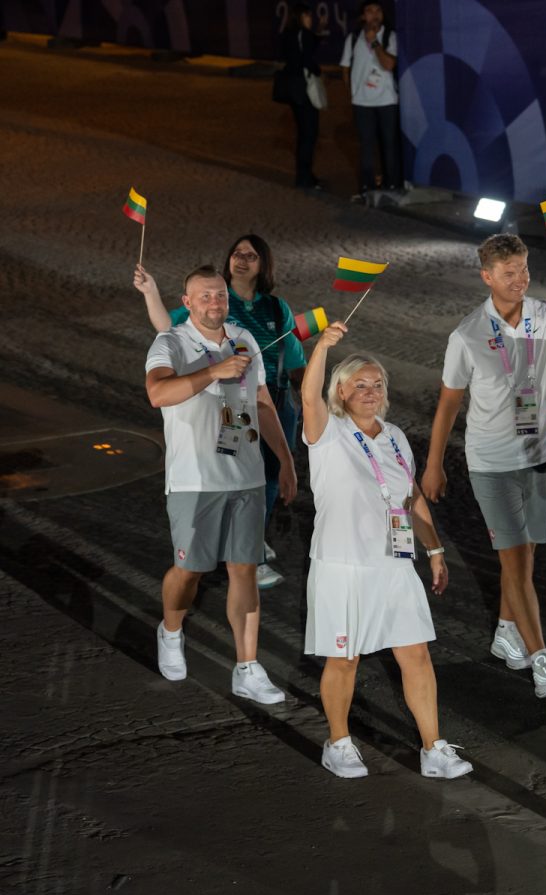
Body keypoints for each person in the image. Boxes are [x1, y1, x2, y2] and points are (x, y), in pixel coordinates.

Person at [422, 234, 546, 697]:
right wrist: (434, 465)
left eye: (524, 270)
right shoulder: (466, 336)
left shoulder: (543, 315)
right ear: (487, 277)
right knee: (517, 560)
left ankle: (506, 629)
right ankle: (541, 657)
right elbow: (447, 405)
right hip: (491, 463)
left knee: (525, 556)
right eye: (510, 273)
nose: (521, 280)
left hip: (540, 456)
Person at [298, 322, 472, 780]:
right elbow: (307, 396)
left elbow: (410, 497)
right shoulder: (328, 432)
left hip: (394, 565)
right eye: (360, 384)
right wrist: (322, 348)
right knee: (345, 660)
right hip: (344, 566)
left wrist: (433, 549)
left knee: (415, 655)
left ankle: (434, 749)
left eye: (377, 384)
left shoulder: (394, 436)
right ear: (341, 390)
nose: (370, 391)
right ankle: (338, 741)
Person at [143, 266, 298, 703]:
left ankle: (247, 667)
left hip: (246, 475)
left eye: (220, 296)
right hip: (195, 479)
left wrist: (285, 460)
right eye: (205, 296)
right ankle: (171, 629)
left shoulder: (243, 340)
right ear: (187, 301)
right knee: (190, 569)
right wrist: (213, 372)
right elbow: (157, 394)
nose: (215, 303)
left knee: (244, 569)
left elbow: (263, 401)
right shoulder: (169, 342)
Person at [134, 235, 308, 590]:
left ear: (264, 264)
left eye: (251, 255)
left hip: (261, 401)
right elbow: (166, 330)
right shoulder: (187, 326)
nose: (242, 260)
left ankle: (251, 547)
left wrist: (291, 451)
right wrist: (151, 292)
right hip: (199, 468)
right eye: (236, 253)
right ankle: (172, 628)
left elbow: (288, 359)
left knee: (269, 477)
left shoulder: (269, 312)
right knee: (191, 569)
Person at [340, 1, 401, 197]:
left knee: (389, 144)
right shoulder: (353, 38)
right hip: (362, 102)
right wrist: (353, 90)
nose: (374, 14)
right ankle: (367, 186)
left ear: (382, 15)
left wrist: (375, 42)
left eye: (377, 10)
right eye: (369, 11)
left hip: (387, 101)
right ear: (362, 16)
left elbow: (389, 64)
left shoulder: (391, 36)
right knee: (366, 145)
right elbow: (345, 67)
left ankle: (392, 184)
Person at [274, 3, 324, 190]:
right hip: (303, 88)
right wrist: (318, 70)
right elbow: (307, 59)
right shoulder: (304, 34)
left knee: (303, 133)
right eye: (308, 16)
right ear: (301, 17)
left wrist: (316, 33)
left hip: (292, 89)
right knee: (309, 134)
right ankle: (304, 178)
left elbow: (294, 54)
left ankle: (304, 174)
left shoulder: (288, 34)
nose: (311, 19)